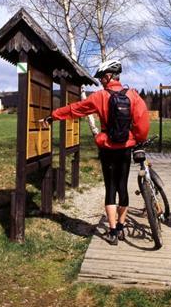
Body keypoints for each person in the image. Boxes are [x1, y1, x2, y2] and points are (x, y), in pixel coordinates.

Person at [40, 59, 149, 245]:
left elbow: (76, 109)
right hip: (125, 147)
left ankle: (113, 232)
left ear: (108, 77)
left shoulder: (100, 97)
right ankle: (122, 228)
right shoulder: (133, 95)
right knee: (123, 186)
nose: (101, 82)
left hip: (108, 147)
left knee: (110, 188)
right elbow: (142, 123)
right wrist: (136, 139)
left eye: (102, 78)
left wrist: (53, 116)